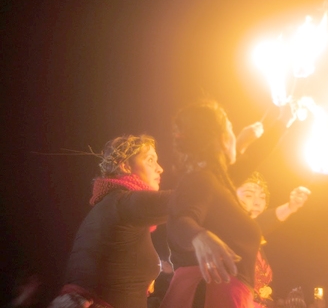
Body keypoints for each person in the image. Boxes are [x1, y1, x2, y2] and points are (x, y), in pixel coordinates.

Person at [159, 100, 262, 308]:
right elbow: (180, 218)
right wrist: (200, 237)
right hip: (209, 294)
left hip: (218, 293)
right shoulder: (201, 178)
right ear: (224, 140)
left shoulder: (215, 181)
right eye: (231, 130)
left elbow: (248, 162)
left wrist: (282, 121)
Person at [49, 134, 169, 308]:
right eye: (150, 160)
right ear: (126, 165)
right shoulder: (122, 203)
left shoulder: (111, 205)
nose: (160, 168)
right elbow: (183, 201)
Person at [236, 172, 310, 308]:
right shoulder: (223, 231)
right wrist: (289, 207)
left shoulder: (255, 241)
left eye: (262, 198)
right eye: (248, 195)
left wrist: (291, 207)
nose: (257, 203)